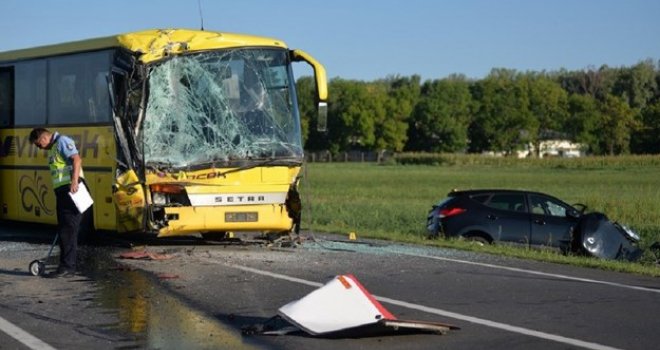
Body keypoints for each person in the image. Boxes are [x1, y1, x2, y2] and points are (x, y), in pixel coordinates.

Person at [30, 127, 87, 278]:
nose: (39, 148)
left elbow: (76, 159)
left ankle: (67, 267)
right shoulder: (53, 148)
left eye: (38, 144)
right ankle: (66, 266)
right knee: (65, 229)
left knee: (68, 229)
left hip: (71, 190)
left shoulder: (62, 141)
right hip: (62, 192)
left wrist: (74, 182)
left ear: (43, 138)